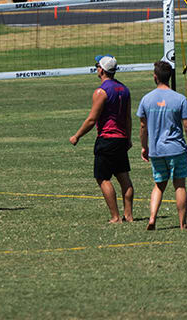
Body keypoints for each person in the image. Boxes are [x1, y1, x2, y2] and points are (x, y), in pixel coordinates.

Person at [69, 54, 135, 224]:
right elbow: (128, 118)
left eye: (97, 65)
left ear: (102, 70)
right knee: (123, 177)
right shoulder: (124, 89)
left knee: (103, 178)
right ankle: (129, 215)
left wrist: (77, 136)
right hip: (121, 139)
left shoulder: (101, 91)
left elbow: (92, 119)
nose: (96, 68)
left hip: (107, 139)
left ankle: (115, 217)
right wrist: (128, 137)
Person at [137, 61, 187, 230]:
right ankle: (182, 223)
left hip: (156, 150)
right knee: (179, 185)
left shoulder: (146, 99)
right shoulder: (180, 99)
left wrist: (144, 147)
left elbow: (143, 126)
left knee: (158, 185)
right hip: (176, 148)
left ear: (155, 77)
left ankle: (152, 218)